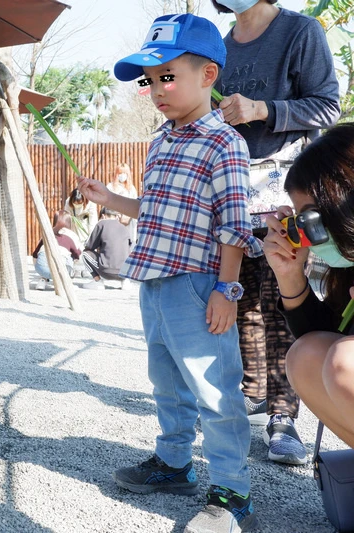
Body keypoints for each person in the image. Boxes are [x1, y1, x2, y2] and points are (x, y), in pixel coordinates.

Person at [80, 14, 261, 533]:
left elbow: (233, 225)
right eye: (150, 80)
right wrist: (110, 199)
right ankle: (174, 464)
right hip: (155, 281)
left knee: (214, 388)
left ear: (208, 76)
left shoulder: (224, 143)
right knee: (167, 382)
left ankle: (232, 491)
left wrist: (227, 290)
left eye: (168, 76)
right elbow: (155, 210)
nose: (157, 89)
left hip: (199, 283)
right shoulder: (160, 141)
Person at [211, 0, 340, 465]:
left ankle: (284, 417)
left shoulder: (300, 32)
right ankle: (255, 391)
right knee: (241, 296)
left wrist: (262, 108)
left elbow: (328, 106)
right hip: (231, 188)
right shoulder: (219, 48)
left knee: (281, 295)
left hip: (284, 190)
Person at [261, 124, 354, 449]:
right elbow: (324, 336)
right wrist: (290, 274)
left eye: (308, 217)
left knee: (345, 359)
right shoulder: (347, 271)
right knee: (307, 355)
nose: (302, 231)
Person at [80, 207, 133, 290]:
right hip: (124, 272)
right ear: (116, 216)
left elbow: (89, 246)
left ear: (103, 216)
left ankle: (97, 282)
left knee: (85, 254)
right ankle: (126, 281)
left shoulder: (101, 224)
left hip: (106, 271)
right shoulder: (124, 227)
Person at [31, 210, 81, 290]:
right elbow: (77, 254)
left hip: (41, 269)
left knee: (42, 254)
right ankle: (67, 282)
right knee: (71, 256)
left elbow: (35, 254)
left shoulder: (47, 232)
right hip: (61, 271)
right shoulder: (72, 235)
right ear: (69, 222)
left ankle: (43, 280)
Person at [106, 162, 138, 241]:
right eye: (120, 173)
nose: (122, 175)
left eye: (124, 173)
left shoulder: (131, 189)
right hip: (114, 220)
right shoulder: (110, 187)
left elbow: (135, 205)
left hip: (128, 222)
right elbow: (107, 205)